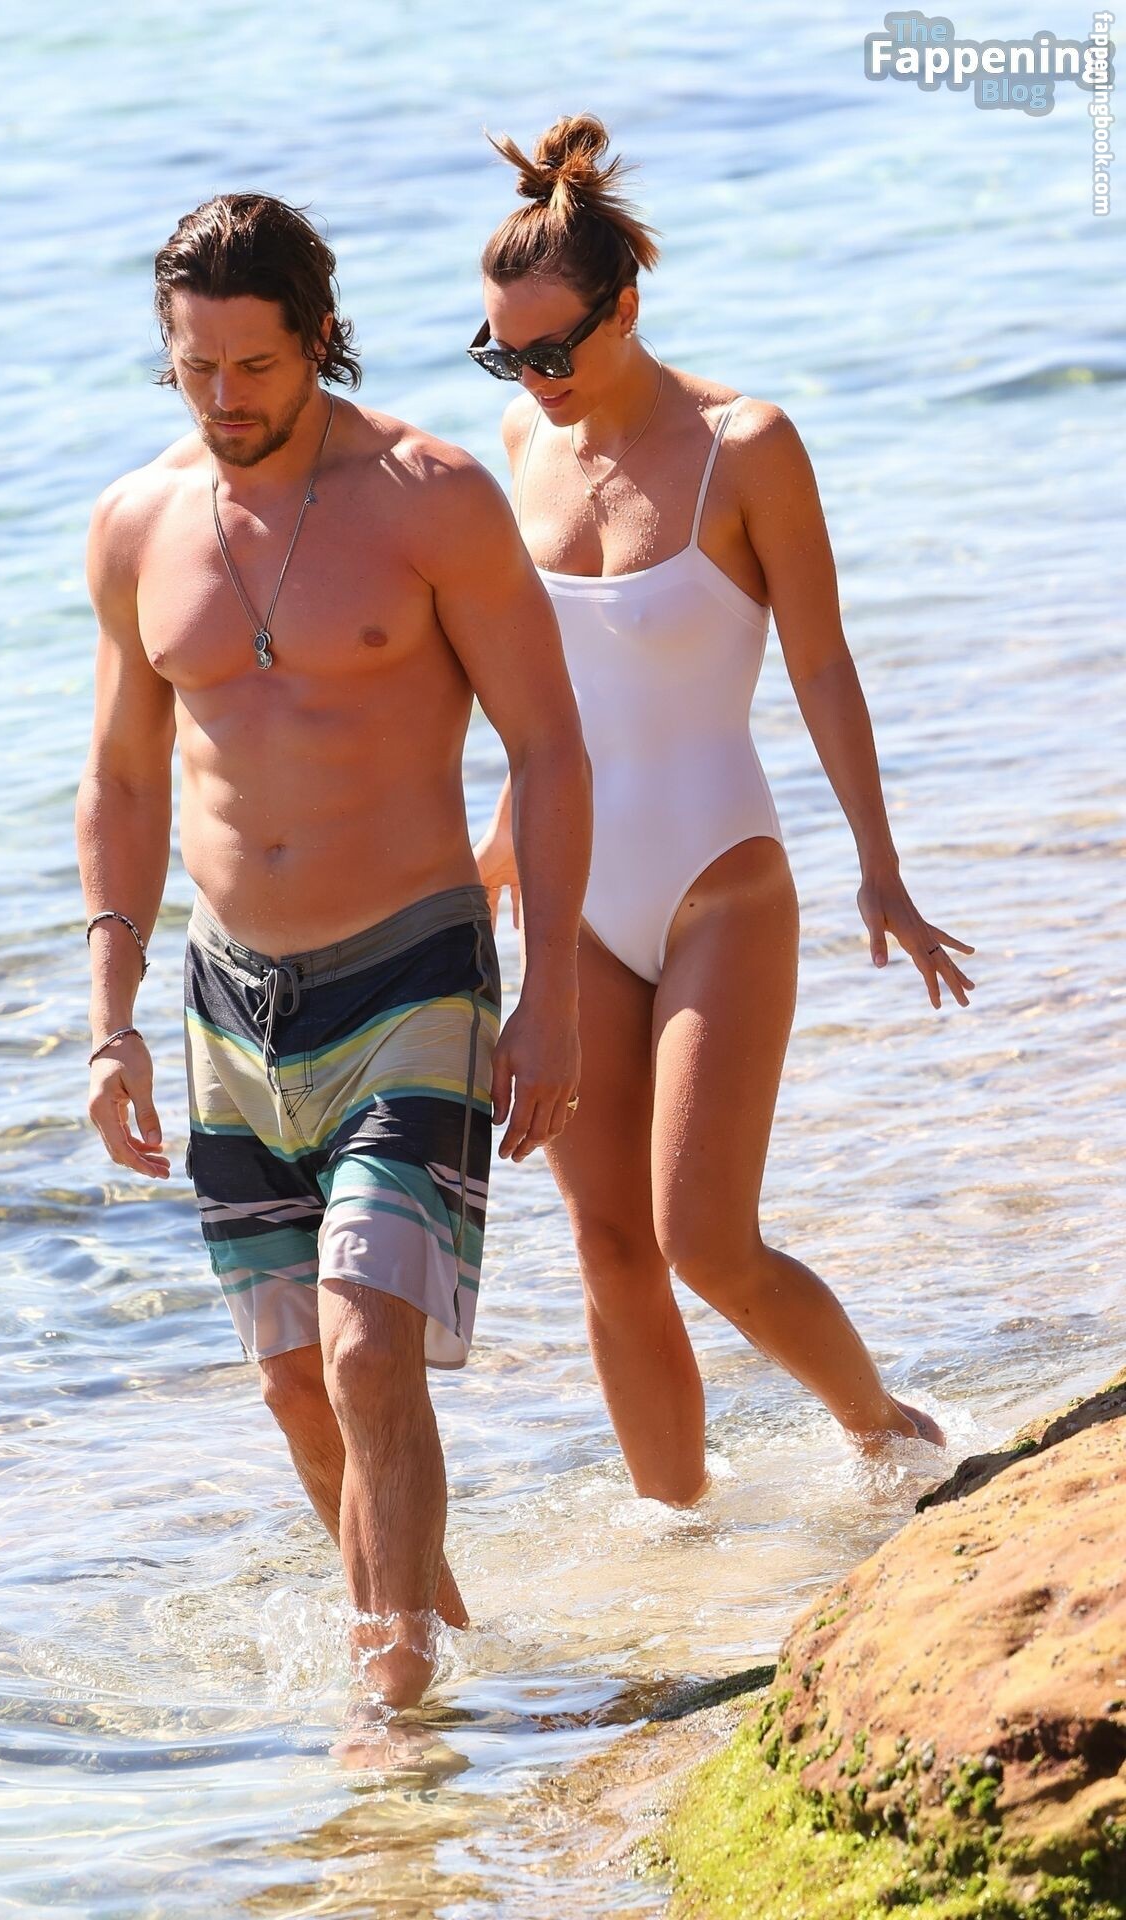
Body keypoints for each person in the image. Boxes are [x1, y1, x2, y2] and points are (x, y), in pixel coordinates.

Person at [75, 192, 591, 1714]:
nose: (225, 398)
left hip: (411, 968)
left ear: (319, 339)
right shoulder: (136, 527)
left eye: (255, 365)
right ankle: (442, 1646)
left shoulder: (431, 497)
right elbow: (121, 782)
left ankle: (389, 1705)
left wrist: (552, 989)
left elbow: (550, 747)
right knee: (299, 1384)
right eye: (197, 368)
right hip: (228, 999)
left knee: (370, 1342)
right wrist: (109, 1019)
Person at [470, 116, 974, 1503]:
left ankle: (892, 1438)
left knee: (702, 1236)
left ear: (627, 306)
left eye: (554, 350)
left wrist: (880, 865)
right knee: (609, 1248)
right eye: (504, 355)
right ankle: (679, 1546)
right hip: (571, 896)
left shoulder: (746, 445)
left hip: (719, 879)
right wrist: (498, 844)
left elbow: (822, 663)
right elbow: (540, 695)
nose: (532, 378)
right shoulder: (520, 438)